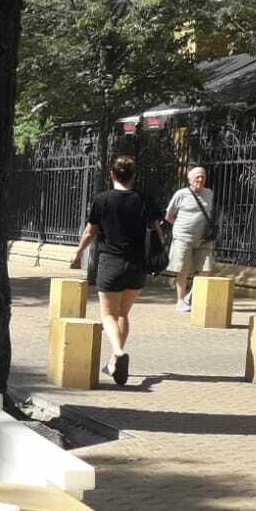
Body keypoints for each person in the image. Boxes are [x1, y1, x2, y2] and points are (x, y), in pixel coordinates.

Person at [71, 156, 168, 386]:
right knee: (123, 314)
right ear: (132, 176)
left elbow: (90, 231)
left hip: (110, 262)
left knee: (108, 315)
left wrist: (78, 253)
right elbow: (158, 232)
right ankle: (114, 361)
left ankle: (119, 352)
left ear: (112, 174)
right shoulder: (144, 200)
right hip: (137, 265)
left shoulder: (102, 200)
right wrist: (158, 255)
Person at [164, 166, 214, 312]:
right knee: (183, 269)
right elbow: (169, 215)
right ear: (190, 179)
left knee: (206, 269)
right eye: (197, 177)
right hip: (183, 237)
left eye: (203, 177)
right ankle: (180, 300)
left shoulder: (209, 193)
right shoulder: (181, 194)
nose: (200, 179)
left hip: (204, 238)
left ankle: (190, 297)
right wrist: (180, 226)